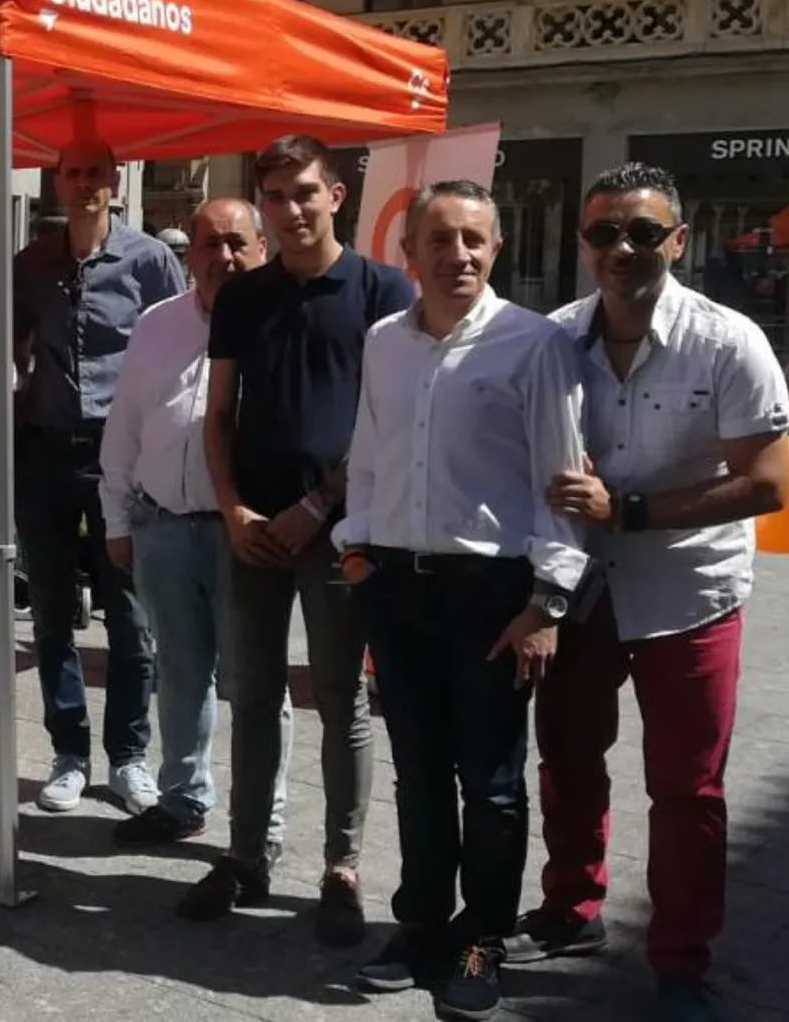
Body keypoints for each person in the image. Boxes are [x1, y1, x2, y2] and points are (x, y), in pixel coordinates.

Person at [512, 163, 789, 1022]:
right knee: (566, 761)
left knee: (686, 788)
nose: (622, 248)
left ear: (677, 239)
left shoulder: (728, 339)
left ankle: (679, 959)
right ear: (584, 245)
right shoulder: (552, 340)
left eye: (643, 231)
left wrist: (629, 510)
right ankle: (572, 908)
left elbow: (771, 482)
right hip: (582, 594)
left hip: (690, 595)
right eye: (604, 233)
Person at [335, 181, 590, 1018]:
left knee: (489, 781)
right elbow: (367, 456)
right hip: (397, 584)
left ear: (497, 247)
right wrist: (360, 551)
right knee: (416, 773)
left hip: (491, 593)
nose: (460, 255)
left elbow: (563, 479)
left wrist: (548, 599)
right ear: (409, 252)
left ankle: (483, 935)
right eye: (440, 240)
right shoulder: (384, 342)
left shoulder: (533, 344)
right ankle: (422, 925)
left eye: (475, 240)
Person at [194, 134, 415, 942]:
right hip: (252, 527)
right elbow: (218, 414)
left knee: (340, 697)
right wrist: (231, 508)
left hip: (340, 527)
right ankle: (247, 853)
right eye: (277, 196)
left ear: (337, 196)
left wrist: (319, 504)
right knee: (251, 693)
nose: (291, 210)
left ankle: (342, 865)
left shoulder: (382, 290)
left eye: (305, 193)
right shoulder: (242, 297)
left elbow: (389, 418)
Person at [12, 137, 185, 814]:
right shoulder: (32, 265)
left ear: (114, 182)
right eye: (72, 173)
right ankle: (68, 753)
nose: (84, 184)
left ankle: (130, 756)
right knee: (53, 611)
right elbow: (13, 349)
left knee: (129, 615)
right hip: (48, 447)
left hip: (125, 454)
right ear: (57, 182)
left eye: (95, 174)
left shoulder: (150, 260)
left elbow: (179, 350)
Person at [100, 198, 279, 847]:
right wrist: (116, 517)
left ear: (262, 247)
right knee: (177, 673)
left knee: (255, 682)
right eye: (208, 244)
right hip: (163, 528)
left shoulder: (282, 322)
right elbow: (125, 424)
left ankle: (263, 822)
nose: (222, 258)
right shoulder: (157, 323)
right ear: (189, 254)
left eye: (236, 243)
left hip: (245, 535)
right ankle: (183, 799)